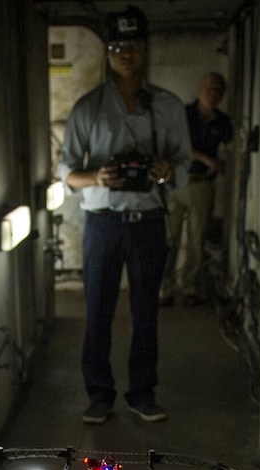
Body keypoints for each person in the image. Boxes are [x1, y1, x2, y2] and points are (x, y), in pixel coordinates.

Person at [58, 5, 192, 424]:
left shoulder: (167, 106)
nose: (126, 53)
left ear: (145, 47)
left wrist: (167, 171)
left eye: (133, 44)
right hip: (103, 225)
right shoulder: (88, 108)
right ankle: (99, 395)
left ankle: (142, 393)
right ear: (106, 50)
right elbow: (66, 173)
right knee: (97, 309)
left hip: (149, 222)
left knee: (145, 312)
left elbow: (185, 170)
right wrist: (96, 175)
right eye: (117, 45)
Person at [161, 72, 234, 307]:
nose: (212, 94)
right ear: (200, 89)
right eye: (209, 88)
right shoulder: (183, 114)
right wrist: (206, 158)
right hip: (177, 182)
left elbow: (230, 148)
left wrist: (222, 163)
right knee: (168, 239)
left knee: (196, 239)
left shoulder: (222, 122)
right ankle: (164, 289)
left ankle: (190, 287)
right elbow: (175, 146)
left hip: (202, 185)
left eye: (218, 90)